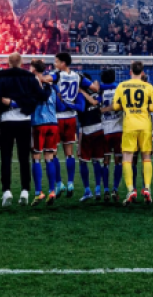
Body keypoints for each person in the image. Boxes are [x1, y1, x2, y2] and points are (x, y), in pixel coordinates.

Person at [0, 52, 48, 206]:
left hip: (6, 120)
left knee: (6, 157)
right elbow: (41, 96)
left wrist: (11, 102)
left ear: (9, 62)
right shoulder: (29, 77)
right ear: (22, 62)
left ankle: (6, 191)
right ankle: (25, 190)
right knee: (24, 157)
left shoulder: (1, 76)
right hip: (24, 120)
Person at [45, 52, 98, 198]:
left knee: (53, 152)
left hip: (57, 117)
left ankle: (59, 182)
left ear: (63, 63)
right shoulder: (78, 76)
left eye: (56, 61)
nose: (55, 64)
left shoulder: (57, 75)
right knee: (69, 152)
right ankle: (70, 183)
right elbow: (94, 88)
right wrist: (81, 89)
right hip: (71, 118)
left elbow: (45, 79)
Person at [112, 61, 153, 205]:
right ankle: (147, 188)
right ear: (142, 72)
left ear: (130, 71)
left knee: (127, 158)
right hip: (145, 125)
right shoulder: (149, 87)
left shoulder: (121, 86)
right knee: (146, 157)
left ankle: (131, 189)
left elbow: (116, 106)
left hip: (129, 125)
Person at [29, 59, 59, 206]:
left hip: (39, 123)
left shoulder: (33, 83)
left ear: (34, 69)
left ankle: (38, 192)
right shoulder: (51, 85)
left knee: (36, 157)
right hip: (53, 123)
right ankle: (52, 190)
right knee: (49, 157)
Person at [77, 78, 105, 202]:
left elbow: (90, 104)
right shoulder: (99, 92)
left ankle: (88, 190)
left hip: (87, 130)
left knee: (83, 161)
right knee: (96, 161)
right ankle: (98, 188)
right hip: (99, 128)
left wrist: (81, 92)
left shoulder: (79, 94)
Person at [99, 69, 123, 202]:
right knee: (118, 160)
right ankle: (115, 189)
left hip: (105, 129)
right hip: (118, 129)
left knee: (106, 161)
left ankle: (106, 190)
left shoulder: (100, 91)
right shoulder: (119, 89)